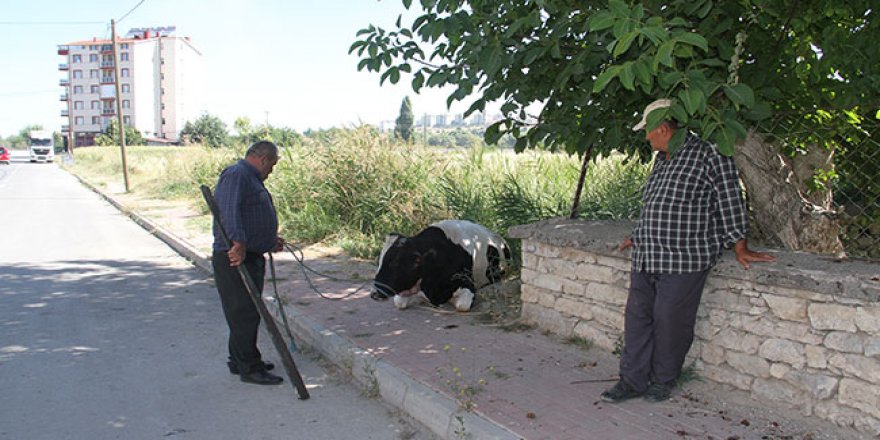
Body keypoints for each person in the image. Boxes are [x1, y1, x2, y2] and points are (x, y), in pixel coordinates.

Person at [600, 99, 775, 403]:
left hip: (684, 257)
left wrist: (740, 246)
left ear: (664, 128)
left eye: (649, 131)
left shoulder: (710, 153)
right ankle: (631, 381)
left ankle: (662, 380)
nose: (646, 137)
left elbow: (729, 198)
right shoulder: (662, 158)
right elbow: (656, 204)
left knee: (670, 320)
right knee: (637, 319)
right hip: (647, 254)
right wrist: (639, 235)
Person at [212, 140, 285, 385]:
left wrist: (267, 240)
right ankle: (250, 367)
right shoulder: (237, 175)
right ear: (263, 159)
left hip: (249, 253)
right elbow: (229, 212)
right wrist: (239, 244)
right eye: (272, 165)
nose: (271, 171)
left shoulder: (249, 178)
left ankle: (239, 358)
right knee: (244, 313)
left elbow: (249, 215)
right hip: (235, 256)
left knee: (244, 311)